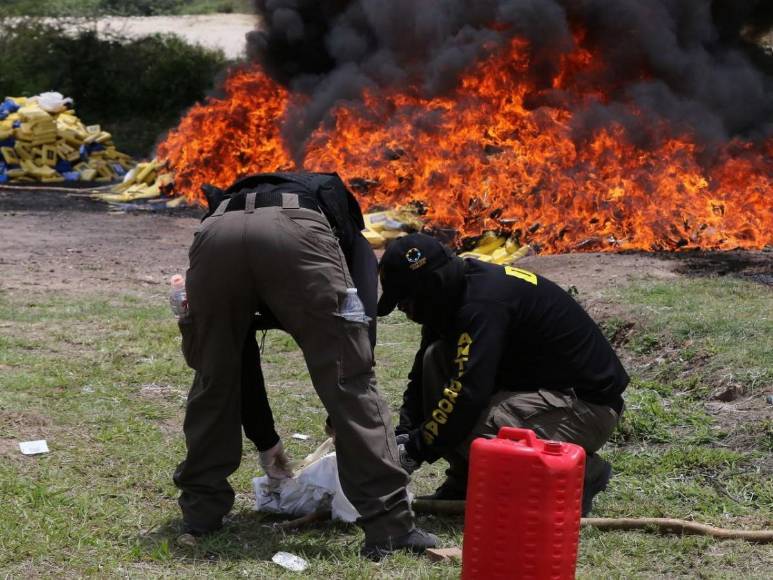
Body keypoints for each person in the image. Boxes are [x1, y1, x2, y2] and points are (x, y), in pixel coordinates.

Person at [172, 172, 436, 559]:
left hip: (216, 235)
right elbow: (359, 328)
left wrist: (266, 440)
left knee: (213, 377)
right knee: (352, 380)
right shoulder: (343, 226)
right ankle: (390, 526)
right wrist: (343, 396)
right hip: (297, 233)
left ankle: (201, 513)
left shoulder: (235, 203)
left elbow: (235, 363)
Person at [377, 233, 629, 515]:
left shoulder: (482, 305)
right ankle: (468, 478)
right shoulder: (449, 297)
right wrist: (403, 436)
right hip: (540, 395)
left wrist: (415, 449)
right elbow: (421, 377)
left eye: (405, 303)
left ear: (431, 286)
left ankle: (581, 473)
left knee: (478, 428)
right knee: (435, 358)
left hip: (586, 408)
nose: (407, 313)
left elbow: (467, 395)